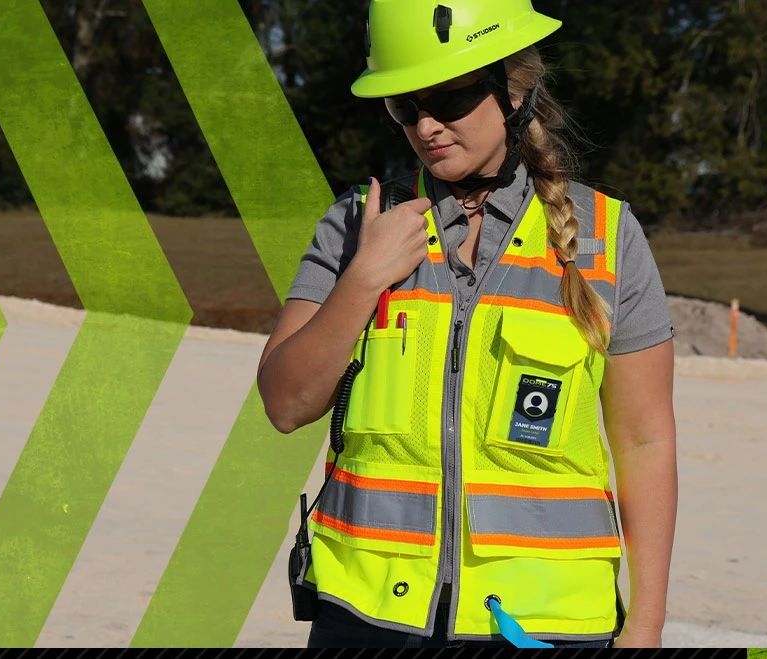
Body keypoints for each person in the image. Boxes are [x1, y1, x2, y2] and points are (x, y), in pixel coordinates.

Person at [257, 0, 677, 649]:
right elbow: (286, 402)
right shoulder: (356, 225)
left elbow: (645, 441)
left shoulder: (609, 239)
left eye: (449, 100)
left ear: (516, 92)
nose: (426, 126)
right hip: (366, 619)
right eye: (404, 105)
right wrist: (364, 277)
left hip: (547, 627)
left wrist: (645, 625)